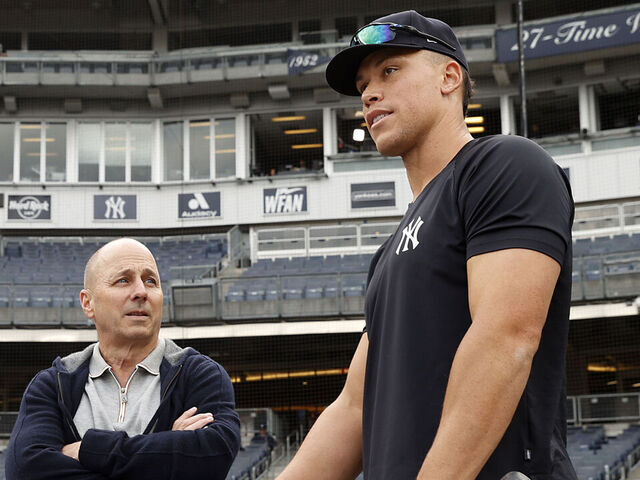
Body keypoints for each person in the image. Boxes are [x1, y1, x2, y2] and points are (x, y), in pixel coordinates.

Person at [278, 10, 576, 480]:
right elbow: (354, 407)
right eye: (362, 85)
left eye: (390, 71)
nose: (370, 93)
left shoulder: (505, 165)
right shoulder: (389, 251)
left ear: (449, 77)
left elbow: (505, 337)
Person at [5, 238, 241, 480]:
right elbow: (26, 470)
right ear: (88, 303)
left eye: (151, 281)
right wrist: (165, 450)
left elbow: (212, 457)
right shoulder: (52, 385)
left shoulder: (200, 374)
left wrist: (87, 449)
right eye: (123, 280)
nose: (141, 292)